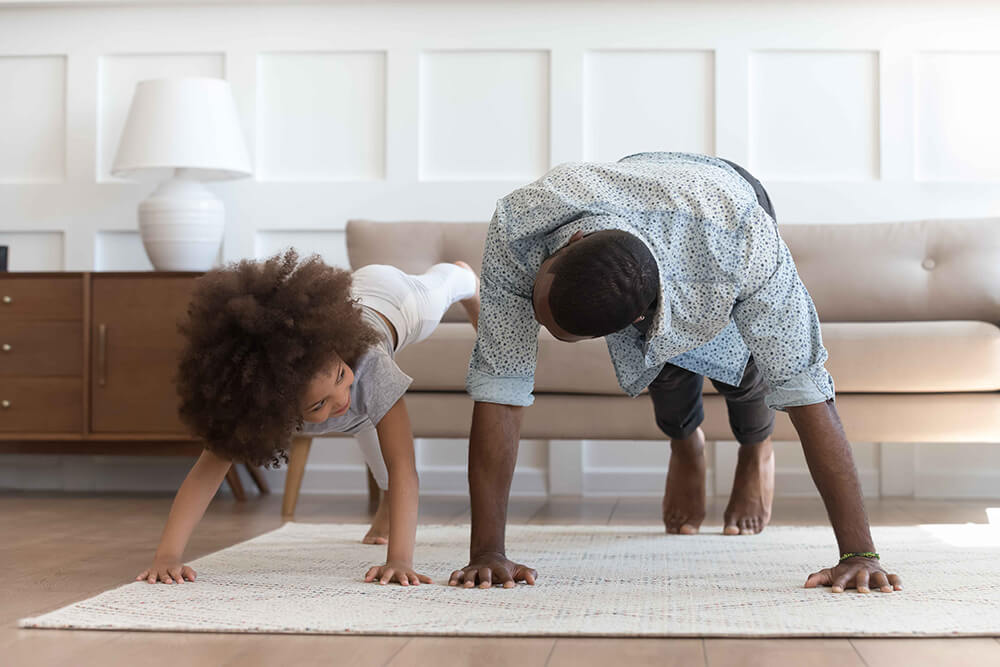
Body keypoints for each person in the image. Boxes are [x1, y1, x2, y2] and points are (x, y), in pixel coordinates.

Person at [449, 152, 902, 595]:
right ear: (570, 243)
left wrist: (859, 554)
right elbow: (501, 385)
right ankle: (686, 443)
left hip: (726, 204)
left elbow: (804, 386)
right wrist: (488, 552)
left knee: (746, 371)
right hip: (641, 183)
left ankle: (755, 448)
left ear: (639, 317)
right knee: (663, 369)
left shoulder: (745, 242)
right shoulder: (522, 223)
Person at [136, 250, 479, 587]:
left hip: (394, 299)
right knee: (361, 418)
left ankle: (463, 275)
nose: (342, 399)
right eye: (318, 406)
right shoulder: (265, 399)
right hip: (356, 300)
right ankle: (385, 510)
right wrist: (167, 556)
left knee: (445, 287)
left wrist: (400, 560)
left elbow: (403, 464)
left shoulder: (370, 368)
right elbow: (204, 476)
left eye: (341, 377)